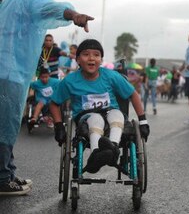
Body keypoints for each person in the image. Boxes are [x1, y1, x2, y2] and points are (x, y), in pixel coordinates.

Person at [0, 0, 93, 196]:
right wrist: (74, 15)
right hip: (10, 72)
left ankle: (8, 172)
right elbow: (54, 9)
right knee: (6, 126)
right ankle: (3, 178)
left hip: (7, 68)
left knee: (6, 125)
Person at [50, 39, 149, 174]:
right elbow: (54, 103)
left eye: (96, 55)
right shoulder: (70, 81)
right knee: (96, 118)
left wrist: (143, 122)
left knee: (117, 114)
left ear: (101, 60)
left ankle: (111, 149)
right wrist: (59, 126)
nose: (91, 58)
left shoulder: (111, 76)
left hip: (110, 114)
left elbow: (133, 95)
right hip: (86, 117)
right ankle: (97, 153)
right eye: (86, 54)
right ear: (78, 59)